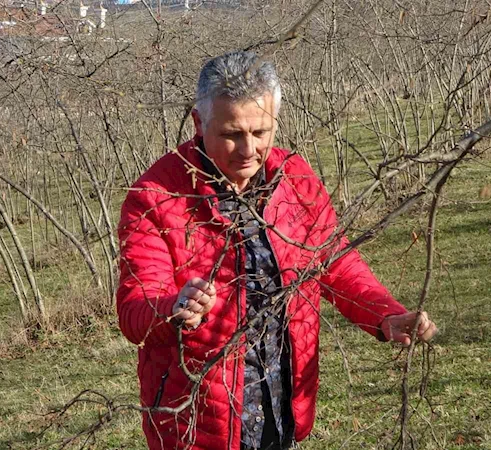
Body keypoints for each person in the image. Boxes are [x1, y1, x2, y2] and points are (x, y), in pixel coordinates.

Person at [116, 50, 437, 450]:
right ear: (199, 123)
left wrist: (384, 314)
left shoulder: (295, 179)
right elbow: (133, 311)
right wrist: (172, 308)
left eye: (261, 132)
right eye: (232, 133)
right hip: (198, 424)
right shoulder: (157, 197)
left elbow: (335, 263)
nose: (248, 149)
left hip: (281, 406)